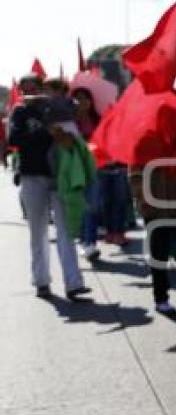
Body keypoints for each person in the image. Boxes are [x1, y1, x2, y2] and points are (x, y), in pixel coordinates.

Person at [7, 73, 91, 300]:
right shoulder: (20, 111)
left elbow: (75, 140)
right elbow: (14, 139)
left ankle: (73, 284)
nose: (30, 92)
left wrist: (66, 136)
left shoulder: (58, 109)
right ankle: (41, 282)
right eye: (25, 88)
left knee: (66, 232)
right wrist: (44, 131)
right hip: (32, 176)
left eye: (35, 87)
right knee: (38, 232)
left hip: (59, 179)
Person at [129, 125, 176, 318]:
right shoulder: (144, 142)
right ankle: (161, 299)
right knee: (159, 255)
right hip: (156, 209)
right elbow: (135, 174)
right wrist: (144, 199)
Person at [72, 87, 102, 261]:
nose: (82, 101)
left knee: (93, 206)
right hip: (75, 170)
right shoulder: (69, 121)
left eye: (85, 98)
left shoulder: (97, 119)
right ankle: (83, 241)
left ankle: (90, 242)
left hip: (94, 168)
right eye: (77, 98)